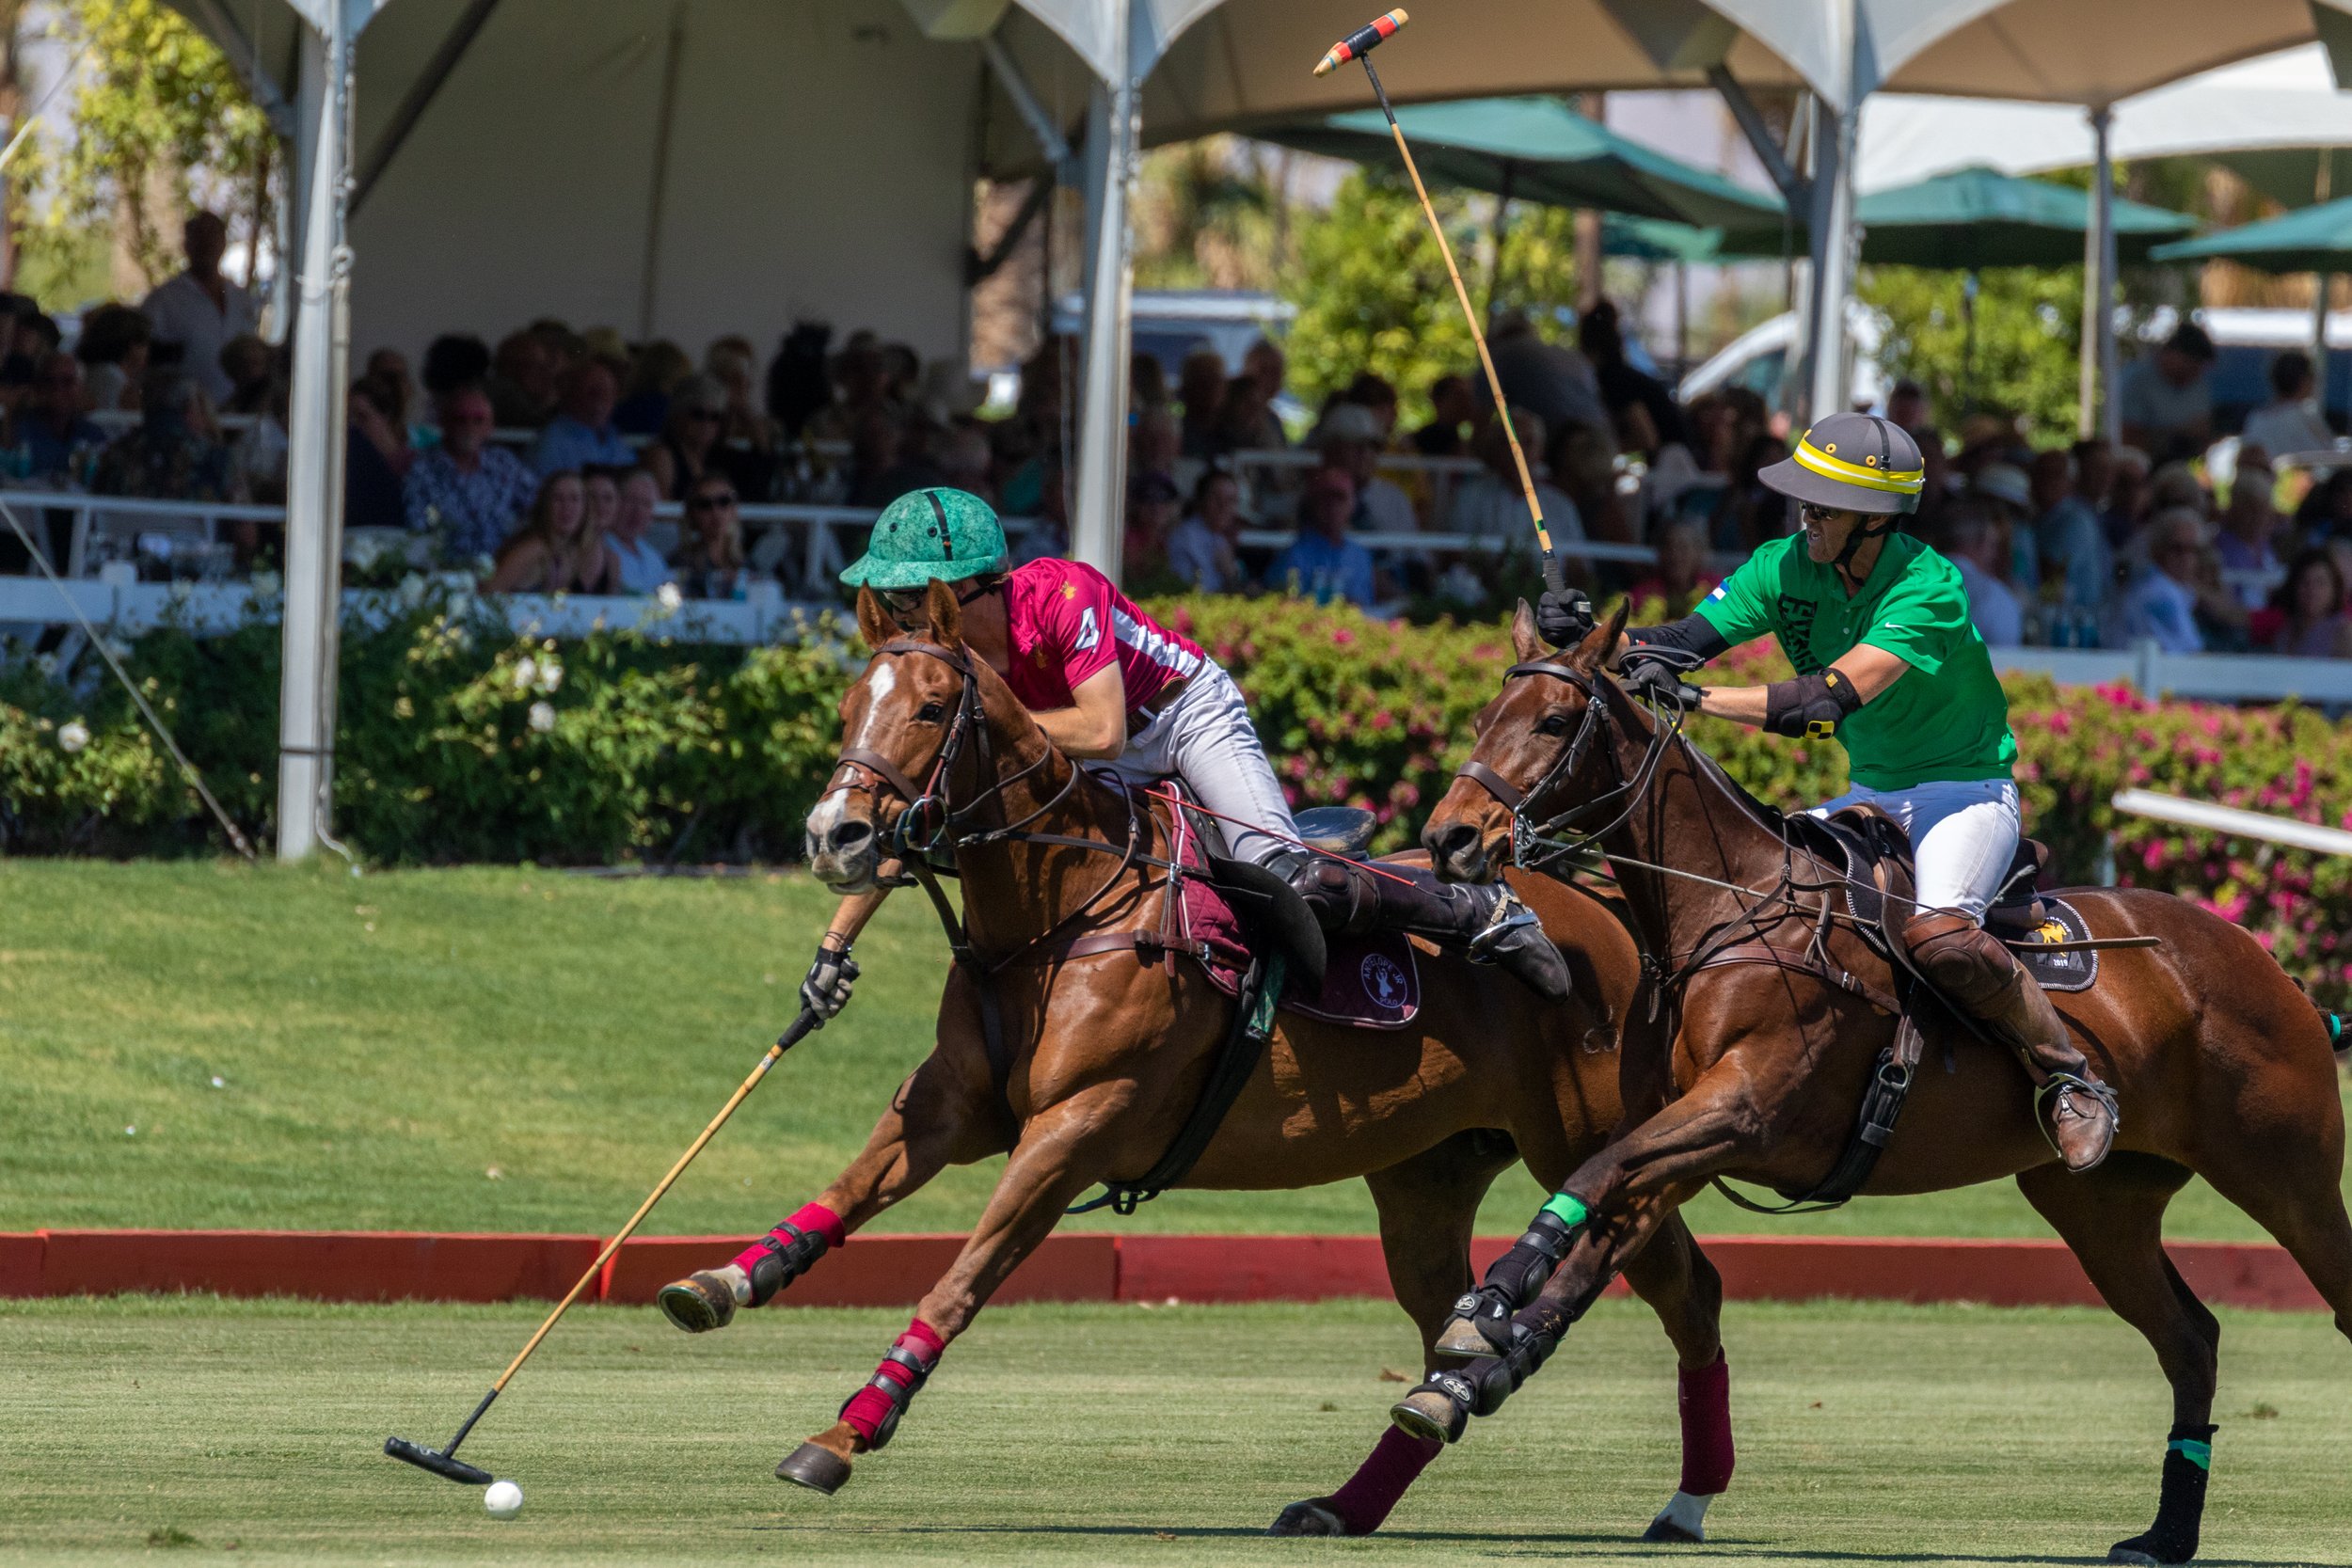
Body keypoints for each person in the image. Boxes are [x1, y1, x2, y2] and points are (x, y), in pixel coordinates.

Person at [1537, 411, 2118, 1171]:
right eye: (1803, 501)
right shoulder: (1781, 566)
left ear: (1874, 521)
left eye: (1822, 505)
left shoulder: (1929, 586)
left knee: (1943, 939)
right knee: (1761, 897)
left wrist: (1697, 701)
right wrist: (1592, 636)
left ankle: (2067, 1078)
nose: (1803, 516)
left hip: (1962, 795)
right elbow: (1681, 642)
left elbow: (1826, 701)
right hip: (1871, 791)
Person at [797, 485, 1566, 1014]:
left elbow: (1105, 732)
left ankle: (1472, 908)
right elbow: (919, 814)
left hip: (1177, 716)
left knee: (1286, 872)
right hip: (1081, 741)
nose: (905, 618)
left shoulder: (1064, 594)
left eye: (913, 598)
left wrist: (1001, 733)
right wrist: (834, 948)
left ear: (973, 589)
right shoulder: (951, 668)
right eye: (892, 603)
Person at [405, 387, 541, 565]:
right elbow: (418, 531)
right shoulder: (423, 470)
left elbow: (540, 506)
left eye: (478, 420)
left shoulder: (504, 464)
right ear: (444, 423)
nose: (469, 427)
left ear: (490, 427)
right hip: (445, 572)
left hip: (501, 570)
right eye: (461, 420)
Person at [139, 212, 259, 406]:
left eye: (214, 238)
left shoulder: (240, 298)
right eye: (201, 238)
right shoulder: (163, 300)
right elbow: (144, 360)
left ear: (223, 244)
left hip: (239, 414)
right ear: (187, 245)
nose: (208, 246)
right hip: (187, 416)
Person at [1445, 408, 1581, 569]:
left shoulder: (1561, 506)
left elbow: (1579, 567)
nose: (1518, 451)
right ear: (1496, 448)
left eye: (1528, 442)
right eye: (1509, 442)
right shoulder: (1469, 497)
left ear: (1541, 451)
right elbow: (1452, 558)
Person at [2118, 509, 2236, 654]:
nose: (2186, 558)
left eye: (2193, 550)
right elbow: (2193, 656)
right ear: (2158, 550)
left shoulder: (2176, 589)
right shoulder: (2159, 592)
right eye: (2177, 549)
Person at [485, 469, 618, 594]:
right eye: (558, 498)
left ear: (585, 508)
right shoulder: (532, 549)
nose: (567, 507)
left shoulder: (573, 552)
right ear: (546, 506)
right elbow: (488, 594)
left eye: (574, 499)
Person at [1480, 309, 1608, 435]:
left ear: (1496, 336)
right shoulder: (1571, 356)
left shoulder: (1501, 353)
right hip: (1602, 437)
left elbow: (1481, 413)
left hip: (1559, 439)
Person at [1266, 467, 1377, 608]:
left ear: (1352, 504)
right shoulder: (1294, 556)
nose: (1333, 506)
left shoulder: (1360, 556)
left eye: (1340, 498)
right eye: (1325, 499)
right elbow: (1285, 605)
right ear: (1313, 504)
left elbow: (1367, 607)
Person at [1580, 299, 1685, 448]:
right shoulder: (1624, 376)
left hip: (1673, 461)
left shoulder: (1613, 380)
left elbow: (1646, 438)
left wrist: (1603, 450)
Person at [2033, 443, 2112, 625]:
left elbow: (2052, 577)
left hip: (2075, 624)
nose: (2047, 481)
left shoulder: (2075, 520)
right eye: (2042, 473)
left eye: (2057, 475)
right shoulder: (2042, 518)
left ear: (2071, 481)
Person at [2118, 323, 2216, 464]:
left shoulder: (2197, 385)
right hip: (2136, 462)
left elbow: (2203, 430)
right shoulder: (2136, 380)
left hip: (2182, 462)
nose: (2194, 374)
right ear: (2172, 353)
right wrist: (2176, 432)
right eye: (2191, 365)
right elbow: (2128, 436)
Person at [1316, 403, 1417, 534]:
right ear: (1330, 451)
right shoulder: (1313, 500)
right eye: (1356, 445)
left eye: (1373, 446)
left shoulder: (1394, 498)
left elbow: (1415, 552)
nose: (1366, 454)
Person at [8, 352, 104, 482]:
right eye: (49, 381)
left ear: (81, 388)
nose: (58, 389)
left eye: (67, 381)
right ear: (37, 387)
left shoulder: (92, 434)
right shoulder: (16, 430)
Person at [525, 358, 632, 475]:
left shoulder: (614, 438)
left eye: (609, 393)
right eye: (593, 393)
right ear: (571, 394)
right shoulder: (550, 445)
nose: (601, 401)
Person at [1939, 503, 2024, 648]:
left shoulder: (1906, 583)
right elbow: (2008, 659)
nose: (1994, 555)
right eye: (1993, 545)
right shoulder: (1998, 598)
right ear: (1980, 543)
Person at [2240, 349, 2335, 464]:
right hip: (2298, 479)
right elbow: (2328, 459)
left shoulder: (2255, 418)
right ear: (2304, 381)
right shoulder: (2305, 417)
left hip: (2263, 480)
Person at [645, 373, 730, 499]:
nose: (706, 423)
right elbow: (665, 510)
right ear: (678, 414)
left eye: (715, 416)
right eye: (698, 414)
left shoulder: (719, 458)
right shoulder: (662, 456)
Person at [2258, 548, 2352, 657]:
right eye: (2305, 582)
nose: (2312, 590)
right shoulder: (2284, 632)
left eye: (2320, 583)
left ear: (2334, 588)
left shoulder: (2344, 634)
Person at [1620, 516, 1719, 618]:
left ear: (1699, 552)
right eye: (1669, 547)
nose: (1675, 555)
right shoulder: (1643, 593)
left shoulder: (1716, 588)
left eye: (1683, 547)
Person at [1167, 468, 1247, 594]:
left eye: (1230, 500)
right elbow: (1197, 594)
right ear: (1200, 500)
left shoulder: (1218, 537)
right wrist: (1230, 575)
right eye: (1216, 498)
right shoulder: (1185, 537)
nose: (1223, 506)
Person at [671, 472, 748, 597]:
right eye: (704, 504)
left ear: (734, 509)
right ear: (692, 514)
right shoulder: (680, 563)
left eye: (724, 501)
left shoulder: (747, 566)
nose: (715, 512)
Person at [607, 465, 675, 594]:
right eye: (631, 500)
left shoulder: (654, 557)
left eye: (646, 504)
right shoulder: (601, 549)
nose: (638, 511)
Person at [76, 303, 151, 413]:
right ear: (132, 346)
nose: (147, 351)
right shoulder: (110, 378)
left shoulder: (102, 373)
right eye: (144, 344)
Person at [1411, 373, 1477, 458]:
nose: (1465, 404)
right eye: (1457, 398)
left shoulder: (1463, 439)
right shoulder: (1423, 440)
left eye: (1468, 398)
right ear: (1438, 401)